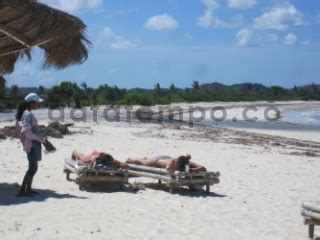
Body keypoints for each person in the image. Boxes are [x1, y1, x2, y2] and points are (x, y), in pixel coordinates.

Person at [16, 93, 47, 197]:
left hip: (32, 144)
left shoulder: (27, 113)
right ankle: (22, 190)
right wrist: (41, 139)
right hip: (32, 145)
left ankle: (28, 189)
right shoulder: (28, 114)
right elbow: (28, 133)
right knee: (33, 168)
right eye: (37, 102)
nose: (38, 104)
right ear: (31, 103)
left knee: (33, 167)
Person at [126, 155, 206, 173]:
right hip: (157, 161)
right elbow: (168, 169)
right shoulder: (172, 161)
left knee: (144, 160)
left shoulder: (187, 162)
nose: (176, 165)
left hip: (164, 157)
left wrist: (194, 169)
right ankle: (130, 160)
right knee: (141, 162)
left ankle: (133, 160)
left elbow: (203, 168)